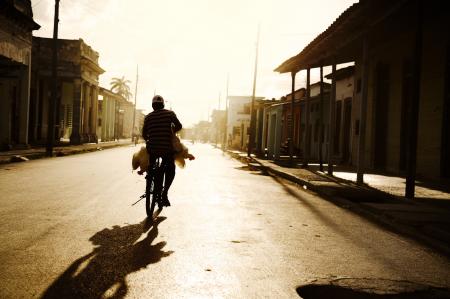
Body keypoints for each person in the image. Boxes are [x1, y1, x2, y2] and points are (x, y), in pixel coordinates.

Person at [142, 95, 182, 207]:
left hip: (152, 148)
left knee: (152, 165)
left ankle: (151, 175)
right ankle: (164, 193)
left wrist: (150, 140)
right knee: (171, 168)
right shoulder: (170, 114)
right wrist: (172, 130)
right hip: (166, 148)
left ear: (153, 105)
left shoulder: (148, 117)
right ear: (163, 104)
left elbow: (144, 134)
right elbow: (179, 126)